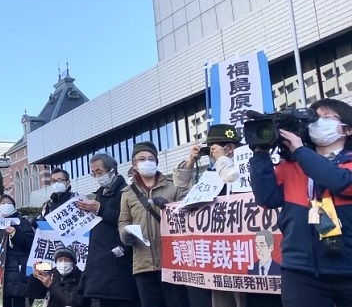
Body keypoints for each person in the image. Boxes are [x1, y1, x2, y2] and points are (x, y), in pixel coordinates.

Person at [250, 98, 352, 307]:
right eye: (314, 119)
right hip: (300, 270)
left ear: (348, 129)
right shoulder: (292, 164)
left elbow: (338, 181)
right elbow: (267, 198)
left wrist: (300, 150)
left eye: (326, 118)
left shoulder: (307, 157)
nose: (318, 123)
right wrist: (260, 153)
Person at [174, 124, 242, 307]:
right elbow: (181, 189)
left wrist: (222, 159)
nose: (212, 155)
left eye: (214, 148)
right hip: (214, 247)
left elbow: (233, 178)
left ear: (229, 148)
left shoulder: (244, 163)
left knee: (242, 297)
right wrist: (190, 161)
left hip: (240, 244)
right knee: (220, 298)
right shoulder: (210, 173)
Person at [118, 141, 189, 307]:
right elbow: (124, 221)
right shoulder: (127, 193)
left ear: (157, 162)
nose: (147, 162)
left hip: (173, 262)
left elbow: (187, 215)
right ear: (134, 164)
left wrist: (167, 207)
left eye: (151, 158)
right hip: (143, 265)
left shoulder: (173, 186)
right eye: (142, 159)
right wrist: (125, 234)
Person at [78, 153, 138, 307]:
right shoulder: (98, 194)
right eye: (94, 173)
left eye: (99, 172)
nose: (97, 176)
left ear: (112, 170)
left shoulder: (127, 191)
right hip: (100, 265)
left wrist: (101, 209)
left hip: (119, 262)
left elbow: (129, 221)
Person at [0, 194, 35, 307]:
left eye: (8, 203)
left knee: (18, 299)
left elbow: (29, 242)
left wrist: (14, 233)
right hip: (0, 268)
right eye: (3, 203)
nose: (5, 205)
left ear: (14, 206)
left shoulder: (22, 222)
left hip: (18, 268)